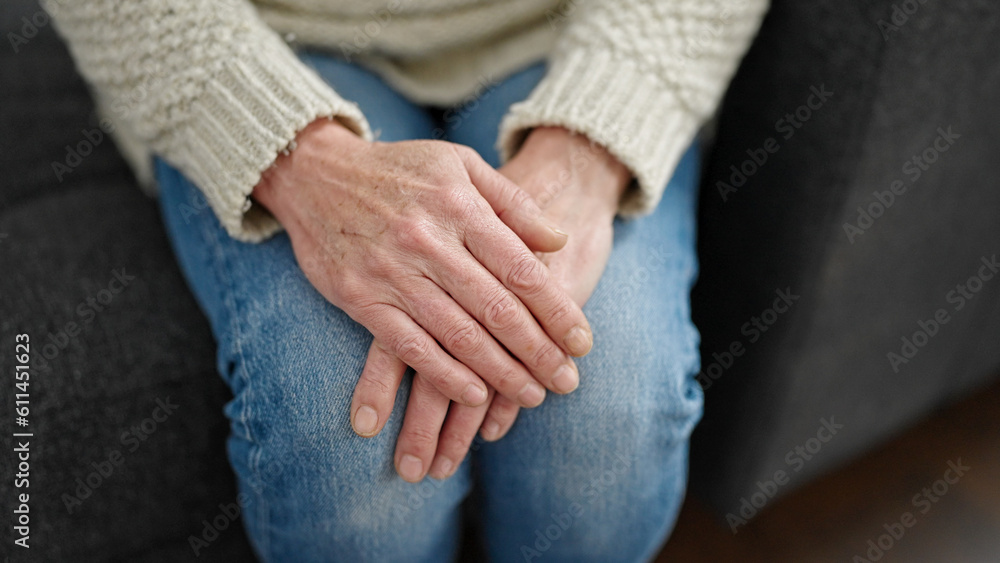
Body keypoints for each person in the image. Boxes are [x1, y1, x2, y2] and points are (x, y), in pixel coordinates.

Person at [51, 1, 768, 560]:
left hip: (575, 38)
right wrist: (294, 158)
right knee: (346, 435)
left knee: (605, 414)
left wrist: (590, 141)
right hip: (263, 45)